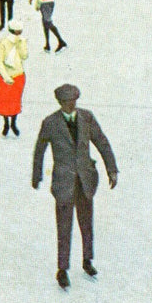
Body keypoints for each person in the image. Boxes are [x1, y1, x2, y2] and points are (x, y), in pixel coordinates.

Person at [31, 84, 118, 289]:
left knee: (86, 223)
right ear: (60, 103)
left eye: (73, 101)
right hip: (63, 183)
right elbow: (40, 150)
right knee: (64, 225)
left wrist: (111, 169)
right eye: (67, 102)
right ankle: (62, 269)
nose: (71, 105)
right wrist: (37, 175)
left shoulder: (87, 118)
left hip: (85, 181)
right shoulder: (50, 123)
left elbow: (102, 142)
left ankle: (87, 260)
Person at [0, 19, 29, 137]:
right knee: (4, 102)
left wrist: (21, 44)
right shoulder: (3, 43)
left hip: (18, 74)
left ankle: (13, 123)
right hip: (6, 76)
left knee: (15, 101)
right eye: (16, 32)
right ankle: (6, 124)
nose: (18, 35)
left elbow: (24, 56)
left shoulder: (21, 41)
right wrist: (5, 76)